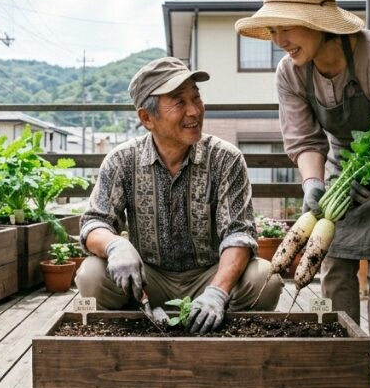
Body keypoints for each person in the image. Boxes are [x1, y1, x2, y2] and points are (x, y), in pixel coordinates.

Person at [235, 0, 370, 388]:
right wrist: (313, 185)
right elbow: (304, 138)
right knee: (334, 261)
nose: (281, 40)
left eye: (290, 26)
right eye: (275, 29)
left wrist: (368, 181)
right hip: (343, 159)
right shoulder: (290, 72)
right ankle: (342, 352)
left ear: (321, 22)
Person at [75, 56, 282, 332]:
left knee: (264, 279)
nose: (194, 111)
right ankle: (139, 321)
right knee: (90, 275)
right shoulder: (122, 160)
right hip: (148, 278)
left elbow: (239, 234)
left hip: (210, 275)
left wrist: (217, 292)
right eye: (179, 101)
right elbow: (93, 223)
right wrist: (115, 245)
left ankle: (218, 323)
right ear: (146, 117)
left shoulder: (225, 158)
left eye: (196, 98)